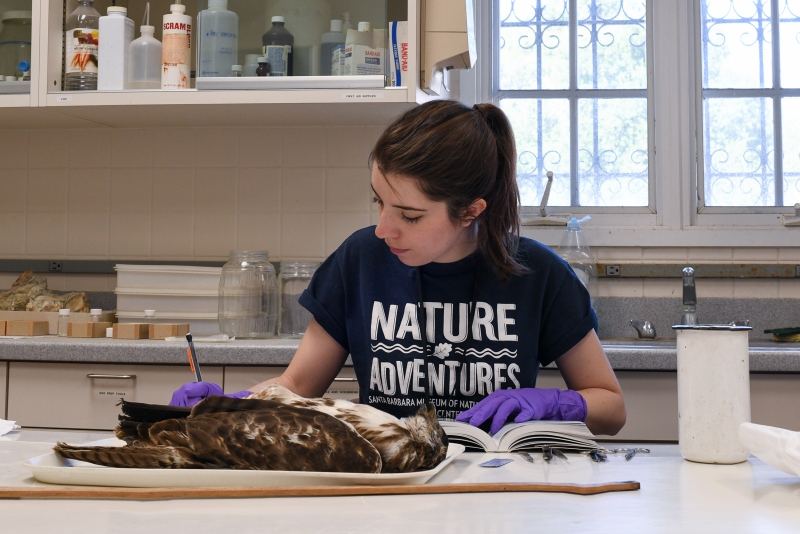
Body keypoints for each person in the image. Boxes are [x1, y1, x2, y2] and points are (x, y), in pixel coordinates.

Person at [171, 100, 626, 436]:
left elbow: (611, 407)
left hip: (498, 484)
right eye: (378, 202)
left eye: (409, 215)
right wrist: (230, 405)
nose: (383, 228)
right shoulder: (359, 261)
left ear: (470, 211)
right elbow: (295, 384)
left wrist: (554, 402)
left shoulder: (540, 275)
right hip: (388, 475)